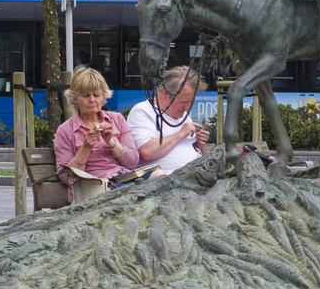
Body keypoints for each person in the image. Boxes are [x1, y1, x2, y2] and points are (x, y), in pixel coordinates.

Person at [53, 66, 143, 199]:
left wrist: (112, 142)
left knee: (159, 177)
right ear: (75, 99)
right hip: (94, 186)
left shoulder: (117, 120)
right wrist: (86, 148)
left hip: (124, 180)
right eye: (85, 95)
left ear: (104, 97)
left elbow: (132, 163)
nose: (92, 100)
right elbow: (66, 177)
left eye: (96, 95)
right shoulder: (65, 130)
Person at [129, 66, 212, 174]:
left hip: (193, 176)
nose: (187, 108)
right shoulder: (142, 111)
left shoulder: (184, 116)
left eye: (190, 102)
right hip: (164, 181)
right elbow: (147, 151)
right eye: (183, 102)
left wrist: (199, 145)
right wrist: (181, 134)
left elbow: (194, 153)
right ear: (165, 93)